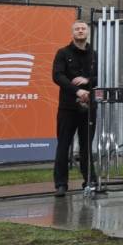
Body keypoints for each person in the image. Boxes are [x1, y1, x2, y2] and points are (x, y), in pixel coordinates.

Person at [52, 20, 97, 197]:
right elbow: (57, 76)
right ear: (72, 33)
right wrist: (77, 91)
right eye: (77, 29)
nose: (80, 31)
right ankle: (61, 184)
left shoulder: (95, 54)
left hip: (89, 107)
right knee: (63, 145)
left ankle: (90, 181)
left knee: (86, 146)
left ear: (87, 32)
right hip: (68, 107)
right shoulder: (62, 53)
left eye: (83, 29)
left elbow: (102, 76)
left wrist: (88, 82)